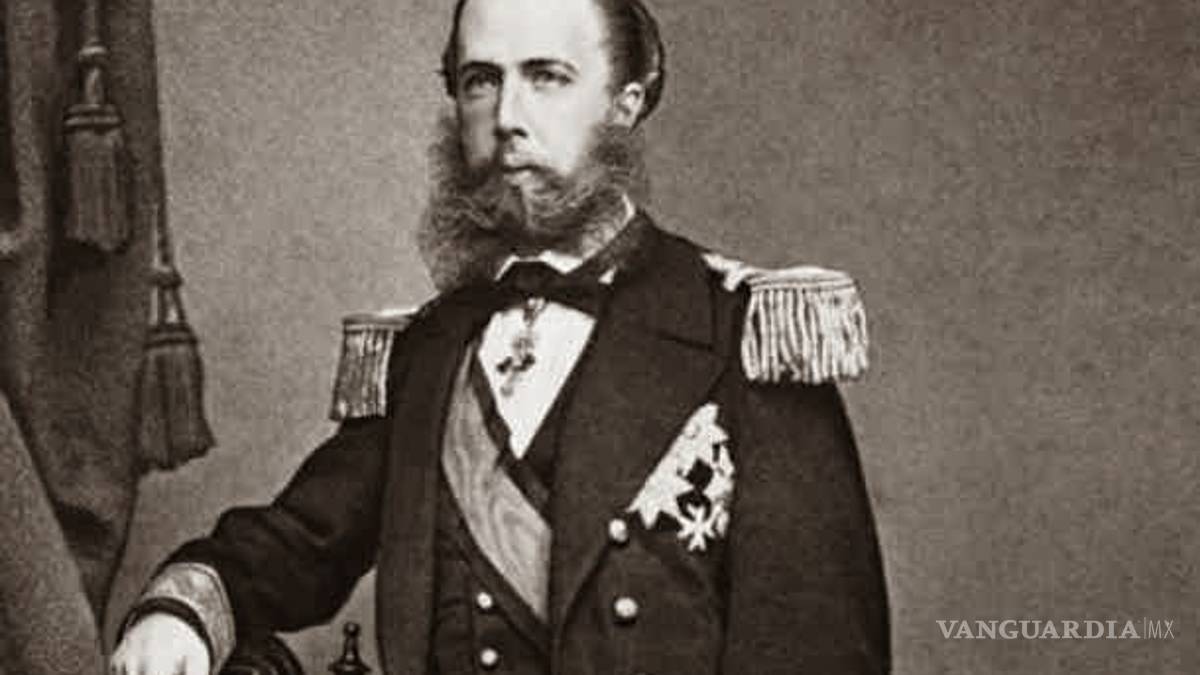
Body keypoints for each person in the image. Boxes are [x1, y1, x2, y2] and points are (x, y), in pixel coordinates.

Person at [111, 0, 890, 673]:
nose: (508, 117)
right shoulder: (430, 349)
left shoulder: (741, 334)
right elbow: (298, 547)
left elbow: (815, 646)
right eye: (480, 80)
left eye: (547, 76)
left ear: (625, 101)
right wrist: (182, 609)